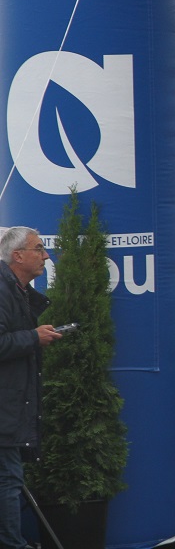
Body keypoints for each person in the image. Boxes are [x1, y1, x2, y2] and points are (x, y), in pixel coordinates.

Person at [0, 228, 59, 549]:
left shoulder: (17, 290)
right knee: (9, 481)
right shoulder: (2, 290)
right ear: (17, 255)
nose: (46, 255)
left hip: (10, 407)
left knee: (9, 480)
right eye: (39, 249)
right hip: (4, 410)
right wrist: (34, 337)